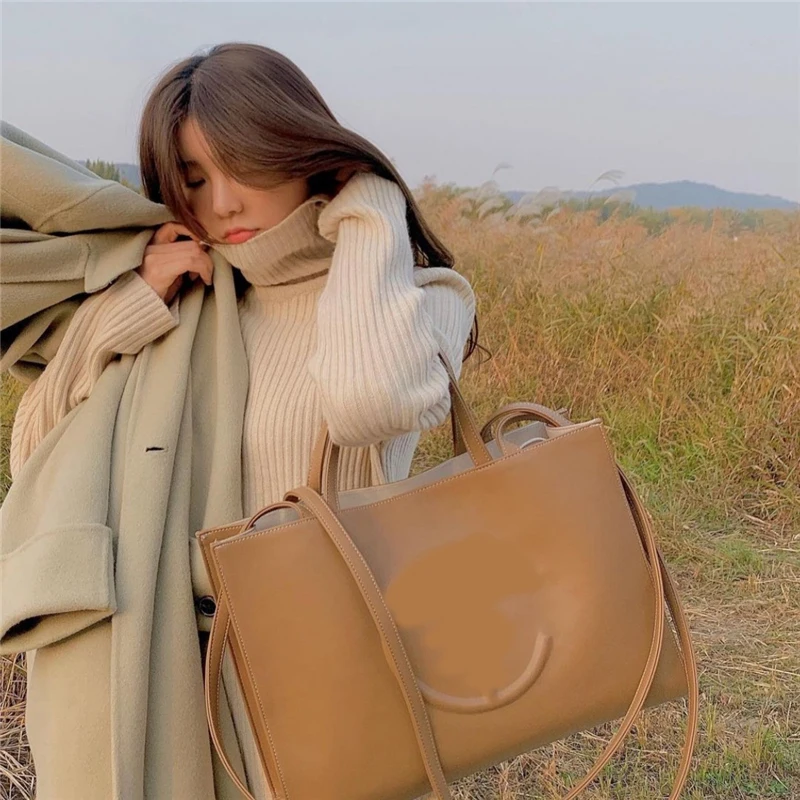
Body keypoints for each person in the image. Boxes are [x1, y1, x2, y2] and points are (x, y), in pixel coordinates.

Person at [7, 42, 482, 799]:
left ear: (303, 152)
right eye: (194, 179)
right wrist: (124, 309)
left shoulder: (422, 301)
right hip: (158, 662)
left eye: (245, 166)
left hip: (313, 668)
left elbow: (369, 402)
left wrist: (369, 208)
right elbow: (35, 457)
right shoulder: (192, 301)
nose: (223, 204)